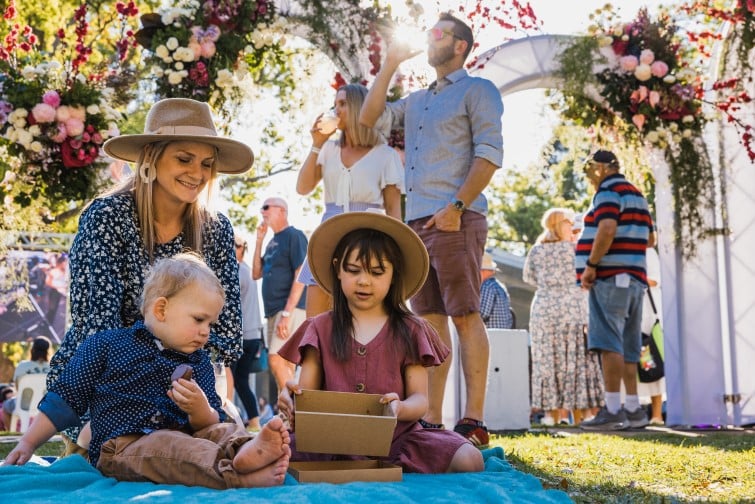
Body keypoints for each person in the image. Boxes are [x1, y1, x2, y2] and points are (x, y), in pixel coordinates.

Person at [47, 98, 251, 451]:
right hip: (107, 387)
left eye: (206, 163)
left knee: (227, 445)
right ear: (151, 159)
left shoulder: (216, 229)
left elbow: (228, 332)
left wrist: (192, 392)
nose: (197, 173)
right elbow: (96, 329)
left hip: (183, 386)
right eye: (184, 159)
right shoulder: (105, 218)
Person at [3, 253, 291, 489]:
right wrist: (28, 443)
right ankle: (238, 474)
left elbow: (208, 421)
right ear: (161, 309)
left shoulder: (199, 361)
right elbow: (65, 398)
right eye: (200, 320)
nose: (206, 332)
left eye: (211, 324)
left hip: (187, 438)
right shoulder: (107, 345)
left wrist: (199, 408)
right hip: (123, 447)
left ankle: (246, 449)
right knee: (173, 445)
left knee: (223, 428)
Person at [359, 12, 504, 447]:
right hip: (418, 222)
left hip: (456, 217)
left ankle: (473, 419)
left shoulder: (478, 90)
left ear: (460, 45)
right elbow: (369, 119)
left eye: (438, 33)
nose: (429, 39)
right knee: (430, 320)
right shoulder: (419, 100)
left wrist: (457, 206)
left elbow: (490, 153)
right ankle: (434, 419)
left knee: (464, 314)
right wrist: (389, 64)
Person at [277, 211, 483, 473]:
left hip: (397, 439)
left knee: (470, 459)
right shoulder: (318, 327)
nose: (364, 281)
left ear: (394, 275)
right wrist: (290, 397)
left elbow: (421, 400)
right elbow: (306, 394)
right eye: (353, 270)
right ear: (338, 269)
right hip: (329, 442)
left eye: (377, 272)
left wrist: (400, 408)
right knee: (269, 448)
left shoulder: (412, 329)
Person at [297, 83, 404, 318]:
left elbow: (394, 209)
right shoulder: (328, 149)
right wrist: (316, 143)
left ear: (358, 107)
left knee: (356, 318)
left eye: (343, 104)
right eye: (335, 104)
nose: (337, 110)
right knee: (314, 320)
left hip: (367, 239)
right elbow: (303, 188)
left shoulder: (385, 155)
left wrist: (398, 257)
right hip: (328, 236)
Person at [577, 150, 656, 431]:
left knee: (608, 341)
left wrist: (591, 265)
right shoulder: (636, 193)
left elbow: (607, 227)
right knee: (629, 343)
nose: (589, 177)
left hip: (610, 277)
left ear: (600, 168)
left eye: (590, 170)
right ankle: (634, 409)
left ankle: (612, 409)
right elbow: (650, 237)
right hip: (634, 278)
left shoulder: (607, 191)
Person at [523, 209, 604, 426]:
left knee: (547, 361)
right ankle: (584, 412)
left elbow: (529, 278)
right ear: (561, 224)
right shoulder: (575, 249)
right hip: (573, 310)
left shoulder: (536, 251)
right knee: (576, 360)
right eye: (569, 221)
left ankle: (551, 414)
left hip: (544, 311)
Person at [252, 197, 307, 394]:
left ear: (282, 210)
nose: (262, 212)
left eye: (266, 207)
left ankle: (293, 410)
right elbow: (256, 273)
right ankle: (288, 418)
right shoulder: (271, 243)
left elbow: (301, 274)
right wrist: (259, 241)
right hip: (273, 311)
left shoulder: (294, 236)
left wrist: (287, 313)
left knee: (275, 359)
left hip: (289, 310)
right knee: (284, 365)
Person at [232, 235, 265, 431]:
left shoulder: (235, 271)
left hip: (241, 335)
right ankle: (254, 421)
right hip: (253, 335)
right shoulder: (248, 271)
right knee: (241, 381)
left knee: (227, 376)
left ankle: (229, 419)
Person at [1, 336, 52, 430]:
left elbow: (17, 389)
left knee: (5, 406)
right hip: (47, 406)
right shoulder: (53, 368)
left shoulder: (22, 366)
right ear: (48, 351)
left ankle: (11, 431)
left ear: (32, 350)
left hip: (23, 405)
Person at [479, 252, 514, 329]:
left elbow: (483, 314)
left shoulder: (487, 286)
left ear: (483, 271)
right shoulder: (499, 285)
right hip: (501, 335)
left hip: (491, 335)